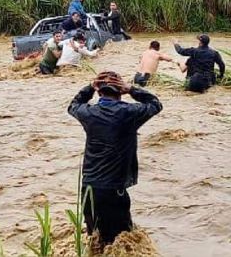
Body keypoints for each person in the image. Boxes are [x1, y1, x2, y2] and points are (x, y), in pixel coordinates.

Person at [68, 71, 162, 247]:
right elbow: (155, 104)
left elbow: (73, 105)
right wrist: (132, 89)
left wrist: (89, 87)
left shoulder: (88, 113)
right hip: (114, 190)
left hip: (89, 187)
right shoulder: (129, 112)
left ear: (99, 92)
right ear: (120, 92)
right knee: (122, 242)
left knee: (94, 240)